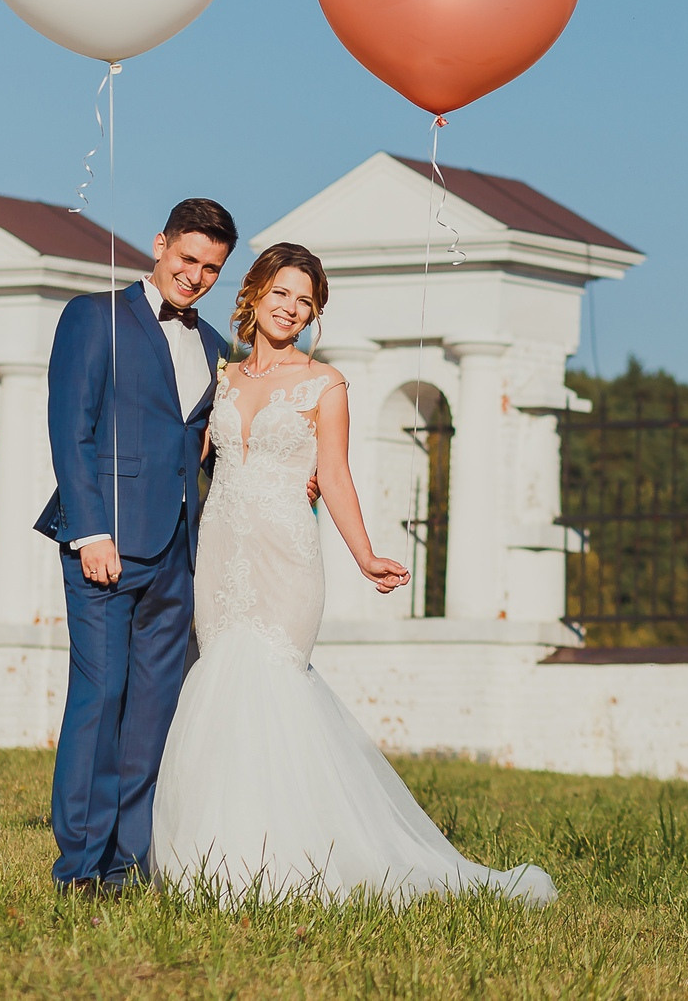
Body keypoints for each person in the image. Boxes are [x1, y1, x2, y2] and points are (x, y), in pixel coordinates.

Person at [151, 241, 555, 904]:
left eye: (305, 301)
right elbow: (188, 456)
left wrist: (365, 555)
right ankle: (213, 856)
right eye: (282, 293)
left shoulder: (326, 383)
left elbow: (334, 475)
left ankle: (289, 859)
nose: (291, 308)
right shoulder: (221, 377)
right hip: (220, 551)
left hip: (286, 557)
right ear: (254, 292)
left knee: (271, 686)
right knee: (218, 688)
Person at [37, 196, 237, 894]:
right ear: (160, 245)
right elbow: (71, 428)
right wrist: (90, 530)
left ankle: (128, 863)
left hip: (180, 552)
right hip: (107, 543)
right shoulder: (93, 317)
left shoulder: (215, 346)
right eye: (187, 258)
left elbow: (206, 446)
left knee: (154, 711)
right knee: (101, 698)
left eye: (211, 268)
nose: (196, 276)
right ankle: (80, 866)